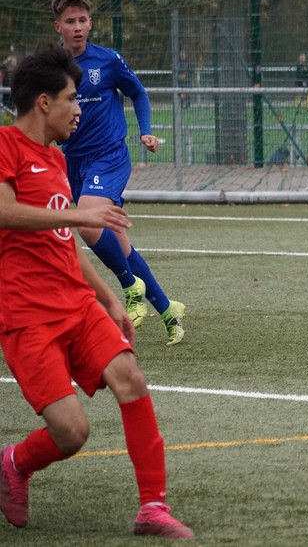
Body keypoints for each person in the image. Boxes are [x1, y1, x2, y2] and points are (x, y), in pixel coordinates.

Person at [0, 44, 194, 538]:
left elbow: (63, 244)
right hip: (26, 315)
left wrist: (109, 298)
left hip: (78, 304)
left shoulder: (55, 159)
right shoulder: (5, 145)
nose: (79, 108)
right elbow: (4, 214)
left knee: (130, 377)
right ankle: (16, 463)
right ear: (45, 102)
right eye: (71, 98)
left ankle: (153, 508)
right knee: (72, 433)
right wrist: (80, 213)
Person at [51, 0, 186, 345]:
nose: (77, 27)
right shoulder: (52, 67)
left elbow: (138, 93)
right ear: (58, 26)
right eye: (70, 21)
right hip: (72, 162)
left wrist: (146, 131)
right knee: (120, 245)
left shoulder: (107, 60)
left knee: (87, 222)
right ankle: (170, 311)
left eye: (83, 20)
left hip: (109, 155)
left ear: (90, 23)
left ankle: (130, 287)